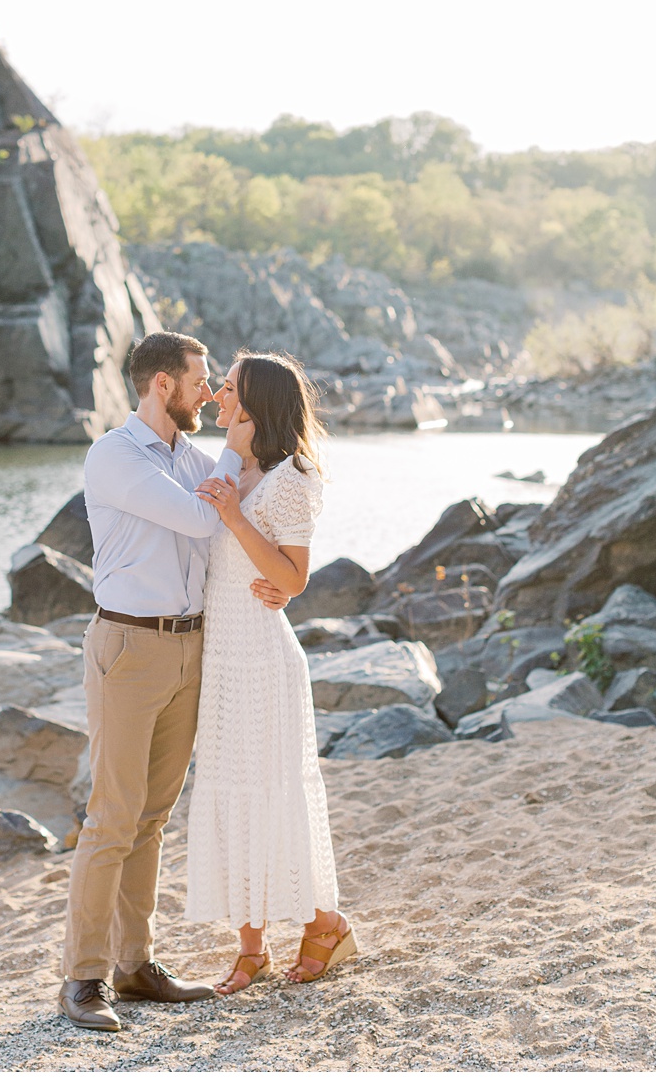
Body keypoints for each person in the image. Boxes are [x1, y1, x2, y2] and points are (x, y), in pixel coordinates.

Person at [59, 330, 292, 1032]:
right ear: (163, 384)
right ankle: (83, 978)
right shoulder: (114, 455)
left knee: (153, 817)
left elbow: (235, 528)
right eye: (200, 380)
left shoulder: (192, 457)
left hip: (192, 646)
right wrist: (234, 449)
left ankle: (136, 964)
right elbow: (198, 516)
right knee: (112, 816)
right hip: (129, 647)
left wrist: (281, 582)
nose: (210, 392)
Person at [188, 350, 357, 992]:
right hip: (221, 661)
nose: (217, 396)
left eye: (228, 388)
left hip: (264, 659)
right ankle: (251, 949)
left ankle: (325, 925)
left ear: (256, 401)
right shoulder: (232, 464)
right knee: (232, 796)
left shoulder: (294, 477)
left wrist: (234, 516)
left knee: (271, 795)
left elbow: (293, 579)